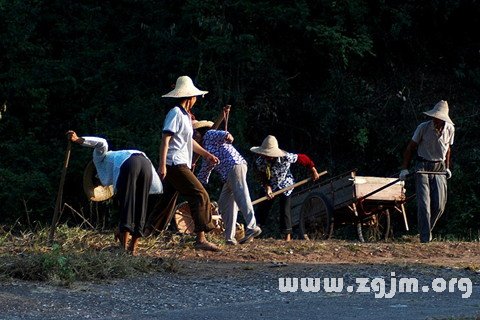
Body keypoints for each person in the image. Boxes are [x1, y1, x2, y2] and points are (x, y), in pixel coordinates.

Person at [146, 75, 221, 251]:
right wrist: (162, 164)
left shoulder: (186, 116)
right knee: (200, 195)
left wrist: (206, 154)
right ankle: (200, 238)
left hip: (180, 163)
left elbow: (189, 142)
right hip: (174, 163)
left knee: (167, 200)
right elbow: (166, 139)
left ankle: (148, 231)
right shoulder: (175, 113)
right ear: (190, 97)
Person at [66, 130, 162, 255]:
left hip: (129, 164)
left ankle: (123, 248)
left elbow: (102, 143)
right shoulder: (115, 164)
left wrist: (78, 139)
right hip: (145, 163)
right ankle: (133, 247)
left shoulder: (99, 159)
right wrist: (119, 228)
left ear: (96, 177)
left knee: (126, 205)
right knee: (140, 205)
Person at [194, 119, 262, 245]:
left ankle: (252, 226)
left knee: (241, 194)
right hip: (228, 175)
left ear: (200, 132)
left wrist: (228, 137)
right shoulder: (205, 148)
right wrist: (193, 184)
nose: (194, 137)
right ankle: (229, 238)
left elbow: (224, 135)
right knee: (225, 203)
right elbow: (205, 170)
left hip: (235, 166)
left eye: (195, 134)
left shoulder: (209, 135)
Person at [399, 100, 455, 243]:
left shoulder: (450, 129)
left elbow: (448, 148)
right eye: (436, 117)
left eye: (440, 119)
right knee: (424, 204)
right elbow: (410, 148)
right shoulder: (423, 128)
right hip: (422, 166)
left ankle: (427, 230)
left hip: (439, 167)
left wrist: (447, 167)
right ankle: (425, 238)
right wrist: (404, 169)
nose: (437, 120)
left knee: (440, 205)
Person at [250, 135, 321, 241]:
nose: (267, 157)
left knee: (285, 210)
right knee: (262, 207)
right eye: (265, 154)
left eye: (269, 155)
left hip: (285, 184)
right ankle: (253, 233)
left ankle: (287, 237)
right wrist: (268, 188)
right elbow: (263, 177)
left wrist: (313, 170)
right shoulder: (260, 161)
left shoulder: (286, 157)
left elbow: (304, 159)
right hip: (271, 185)